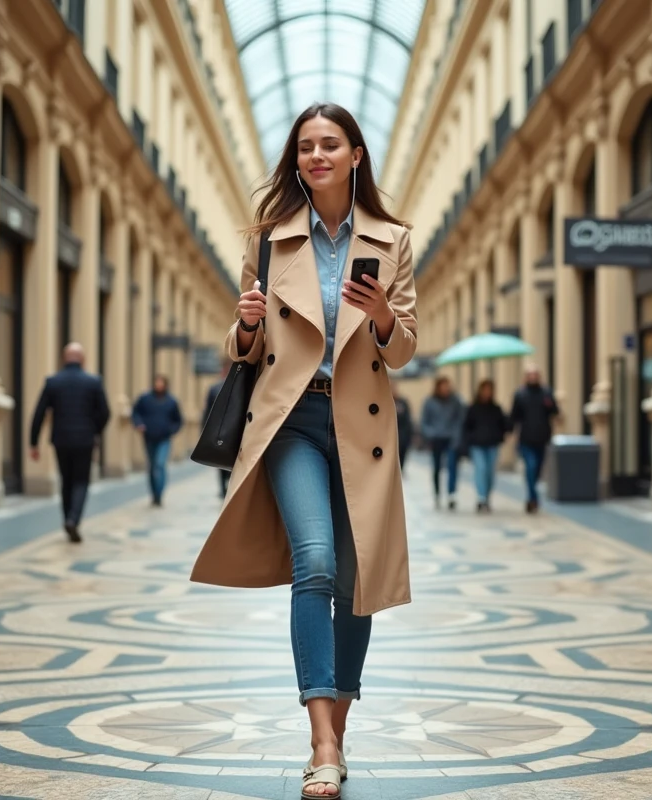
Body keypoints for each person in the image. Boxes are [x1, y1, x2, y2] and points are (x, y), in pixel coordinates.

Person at [189, 103, 418, 799]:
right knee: (314, 561)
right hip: (290, 421)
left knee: (356, 583)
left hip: (360, 426)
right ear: (297, 162)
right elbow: (245, 349)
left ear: (355, 156)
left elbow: (404, 347)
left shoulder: (392, 238)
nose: (317, 155)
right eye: (306, 147)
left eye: (330, 144)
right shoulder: (268, 240)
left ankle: (336, 733)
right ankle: (320, 739)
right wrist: (245, 324)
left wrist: (382, 317)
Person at [29, 342, 110, 543]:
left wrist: (33, 442)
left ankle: (67, 518)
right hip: (85, 439)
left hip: (61, 439)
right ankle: (74, 518)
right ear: (82, 359)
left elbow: (39, 413)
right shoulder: (93, 382)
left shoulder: (53, 382)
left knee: (66, 481)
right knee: (81, 481)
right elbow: (106, 412)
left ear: (64, 358)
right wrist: (95, 431)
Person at [510, 364, 560, 513]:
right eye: (530, 375)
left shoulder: (546, 393)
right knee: (531, 467)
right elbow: (514, 416)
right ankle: (533, 498)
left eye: (535, 374)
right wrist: (510, 432)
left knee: (537, 470)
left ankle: (532, 495)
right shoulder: (520, 394)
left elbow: (555, 411)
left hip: (542, 438)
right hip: (526, 439)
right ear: (526, 377)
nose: (533, 377)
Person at [131, 375, 182, 506]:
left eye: (161, 382)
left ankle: (159, 494)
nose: (158, 385)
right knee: (152, 466)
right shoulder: (145, 399)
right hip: (149, 437)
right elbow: (136, 413)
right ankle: (154, 494)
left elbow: (178, 420)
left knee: (159, 465)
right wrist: (139, 424)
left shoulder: (171, 401)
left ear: (165, 384)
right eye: (156, 382)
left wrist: (171, 430)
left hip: (164, 438)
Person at [463, 379, 508, 513]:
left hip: (492, 444)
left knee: (489, 472)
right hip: (477, 444)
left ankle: (487, 497)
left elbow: (504, 424)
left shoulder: (496, 408)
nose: (487, 392)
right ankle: (481, 497)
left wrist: (501, 435)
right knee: (480, 469)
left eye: (490, 390)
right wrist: (470, 439)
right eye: (485, 389)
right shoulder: (473, 408)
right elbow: (466, 426)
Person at [420, 376, 464, 510]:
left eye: (448, 386)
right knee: (437, 467)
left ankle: (451, 494)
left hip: (451, 438)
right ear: (438, 387)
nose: (446, 389)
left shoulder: (455, 401)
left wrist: (456, 435)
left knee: (452, 466)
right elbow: (424, 422)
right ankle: (437, 494)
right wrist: (431, 434)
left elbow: (460, 419)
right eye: (443, 386)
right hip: (436, 439)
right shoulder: (429, 402)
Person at [203, 363, 232, 498]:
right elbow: (208, 411)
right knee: (220, 461)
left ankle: (230, 486)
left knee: (232, 461)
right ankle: (222, 488)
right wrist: (205, 430)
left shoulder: (242, 386)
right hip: (219, 430)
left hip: (234, 430)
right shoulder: (214, 389)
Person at [393, 382, 413, 470]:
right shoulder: (381, 403)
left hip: (402, 436)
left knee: (401, 461)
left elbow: (408, 420)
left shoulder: (403, 402)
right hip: (389, 437)